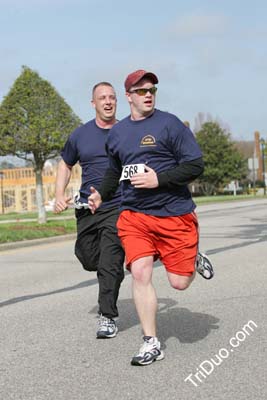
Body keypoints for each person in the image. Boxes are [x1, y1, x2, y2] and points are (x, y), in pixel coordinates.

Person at [88, 69, 214, 365]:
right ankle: (151, 342)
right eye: (142, 90)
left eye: (152, 90)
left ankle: (192, 254)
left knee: (179, 283)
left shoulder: (170, 125)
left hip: (174, 214)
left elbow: (195, 165)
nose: (148, 95)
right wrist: (101, 195)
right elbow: (113, 171)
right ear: (129, 96)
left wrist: (161, 179)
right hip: (134, 215)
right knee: (141, 272)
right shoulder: (117, 133)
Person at [54, 82, 125, 339]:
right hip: (86, 209)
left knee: (108, 262)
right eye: (102, 98)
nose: (108, 102)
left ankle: (107, 317)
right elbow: (65, 164)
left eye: (112, 97)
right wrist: (59, 194)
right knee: (88, 258)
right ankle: (114, 268)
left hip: (116, 207)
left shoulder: (126, 131)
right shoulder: (80, 135)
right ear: (93, 103)